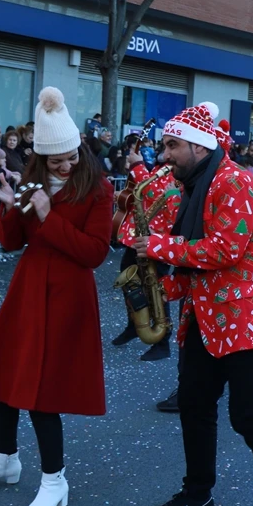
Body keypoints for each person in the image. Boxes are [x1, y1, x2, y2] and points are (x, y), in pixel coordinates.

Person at [133, 102, 253, 506]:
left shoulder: (235, 183)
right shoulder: (196, 184)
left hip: (250, 322)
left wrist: (158, 248)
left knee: (250, 418)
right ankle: (198, 496)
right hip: (206, 319)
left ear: (198, 145)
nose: (164, 156)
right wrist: (160, 283)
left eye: (172, 145)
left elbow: (222, 251)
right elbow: (196, 262)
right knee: (195, 406)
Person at [0, 87, 113, 506]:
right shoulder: (33, 182)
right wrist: (14, 207)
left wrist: (47, 215)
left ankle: (54, 480)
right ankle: (4, 460)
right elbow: (12, 243)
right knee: (2, 378)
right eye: (56, 161)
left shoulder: (97, 190)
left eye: (71, 156)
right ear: (41, 160)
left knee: (44, 394)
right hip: (29, 291)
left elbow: (93, 253)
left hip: (68, 297)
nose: (66, 165)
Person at [110, 142, 180, 363]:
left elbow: (158, 193)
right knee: (129, 279)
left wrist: (138, 165)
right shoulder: (164, 167)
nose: (165, 150)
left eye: (172, 145)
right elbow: (146, 195)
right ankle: (135, 324)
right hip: (141, 236)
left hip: (160, 240)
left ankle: (162, 339)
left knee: (156, 287)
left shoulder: (179, 173)